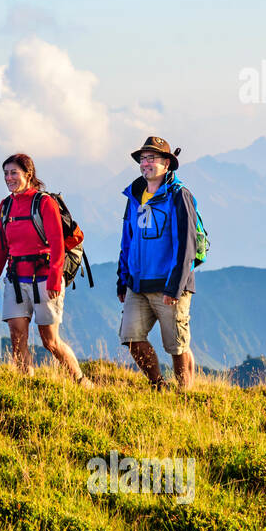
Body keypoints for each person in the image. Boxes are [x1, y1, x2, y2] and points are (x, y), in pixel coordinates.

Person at [0, 154, 93, 385]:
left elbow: (56, 243)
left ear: (28, 174)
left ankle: (80, 380)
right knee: (17, 337)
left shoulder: (44, 202)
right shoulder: (5, 206)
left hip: (44, 279)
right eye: (5, 173)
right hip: (15, 279)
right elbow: (0, 247)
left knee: (50, 341)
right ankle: (26, 385)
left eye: (14, 173)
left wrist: (55, 279)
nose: (9, 178)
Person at [116, 136, 198, 389]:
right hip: (137, 283)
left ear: (167, 163)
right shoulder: (134, 196)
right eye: (143, 159)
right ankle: (158, 385)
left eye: (152, 158)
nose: (146, 163)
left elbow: (187, 244)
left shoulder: (178, 195)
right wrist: (122, 279)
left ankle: (185, 392)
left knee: (176, 345)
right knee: (130, 337)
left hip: (169, 285)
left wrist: (175, 286)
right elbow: (127, 240)